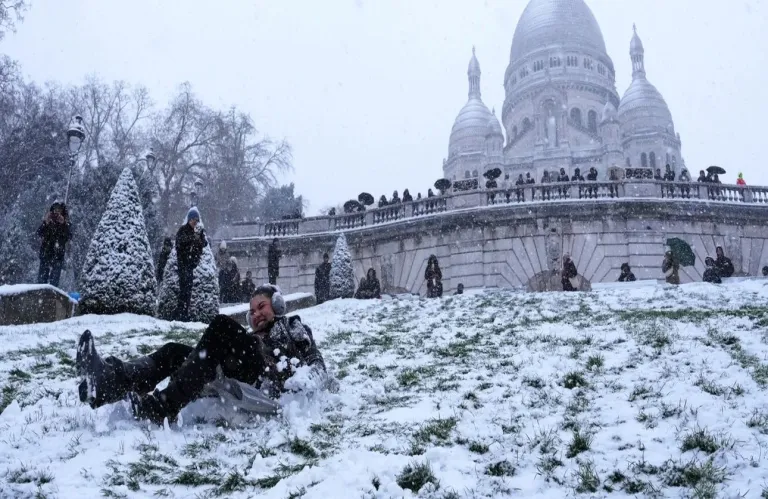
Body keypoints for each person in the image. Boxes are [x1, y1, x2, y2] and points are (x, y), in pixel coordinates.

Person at [76, 284, 329, 425]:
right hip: (238, 373)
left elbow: (316, 362)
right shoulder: (250, 337)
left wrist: (306, 381)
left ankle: (160, 407)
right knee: (174, 351)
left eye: (261, 306)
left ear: (277, 305)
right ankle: (109, 382)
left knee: (222, 325)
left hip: (264, 377)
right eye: (252, 311)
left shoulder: (291, 326)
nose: (256, 314)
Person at [174, 208, 207, 321]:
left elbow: (204, 244)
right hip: (183, 264)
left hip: (190, 265)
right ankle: (180, 313)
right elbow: (180, 243)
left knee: (188, 290)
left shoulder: (197, 232)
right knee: (184, 289)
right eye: (193, 219)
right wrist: (193, 238)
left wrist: (200, 237)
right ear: (189, 219)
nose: (194, 222)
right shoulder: (183, 230)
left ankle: (185, 313)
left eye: (196, 220)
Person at [37, 202, 71, 287]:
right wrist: (46, 222)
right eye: (55, 210)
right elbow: (39, 233)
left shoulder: (66, 224)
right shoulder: (48, 222)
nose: (56, 213)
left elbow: (68, 236)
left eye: (59, 211)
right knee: (41, 281)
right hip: (45, 253)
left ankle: (51, 294)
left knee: (54, 282)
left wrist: (63, 224)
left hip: (58, 255)